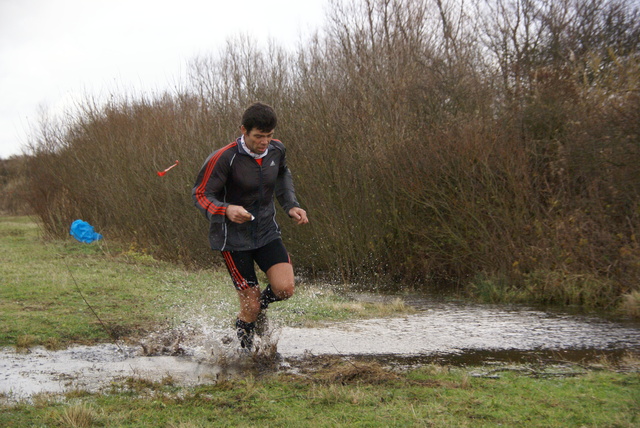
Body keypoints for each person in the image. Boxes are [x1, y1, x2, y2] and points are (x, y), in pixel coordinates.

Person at [192, 102, 309, 350]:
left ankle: (257, 310)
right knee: (250, 305)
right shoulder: (225, 157)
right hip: (233, 240)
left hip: (266, 231)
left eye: (269, 136)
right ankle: (246, 355)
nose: (264, 142)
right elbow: (201, 194)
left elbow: (282, 175)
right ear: (244, 130)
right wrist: (226, 209)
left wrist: (291, 205)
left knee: (285, 289)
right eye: (258, 136)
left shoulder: (277, 150)